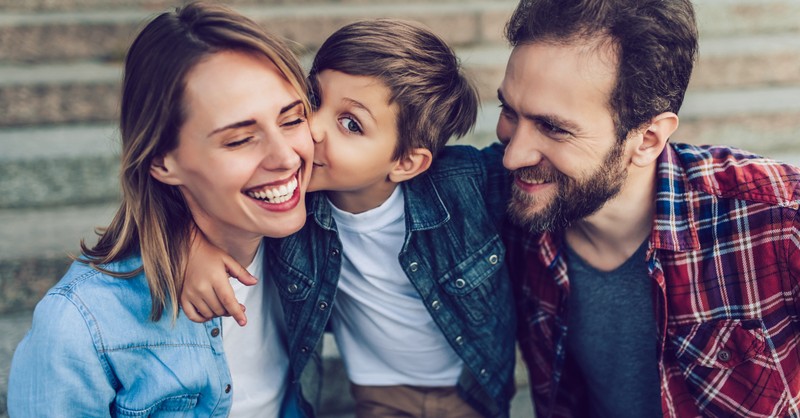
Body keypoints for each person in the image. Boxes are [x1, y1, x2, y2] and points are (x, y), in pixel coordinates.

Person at [182, 19, 516, 418]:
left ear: (407, 162)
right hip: (379, 391)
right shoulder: (290, 208)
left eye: (351, 124)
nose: (315, 129)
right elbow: (208, 191)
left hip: (472, 387)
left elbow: (537, 167)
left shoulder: (463, 186)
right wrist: (190, 242)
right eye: (314, 100)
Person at [7, 3, 320, 417]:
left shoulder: (318, 239)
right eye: (239, 139)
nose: (285, 158)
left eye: (292, 119)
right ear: (161, 161)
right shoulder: (81, 323)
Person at [498, 0, 800, 417]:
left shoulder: (778, 219)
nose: (512, 155)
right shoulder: (510, 211)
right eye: (508, 111)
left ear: (647, 139)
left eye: (552, 127)